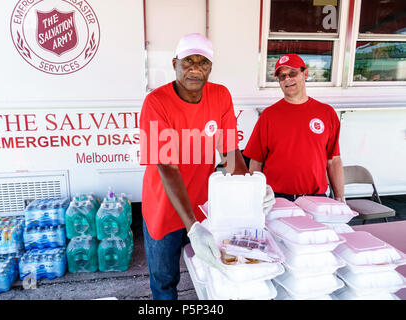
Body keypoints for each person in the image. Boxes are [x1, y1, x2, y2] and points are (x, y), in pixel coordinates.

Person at [139, 33, 275, 300]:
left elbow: (229, 153)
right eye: (188, 61)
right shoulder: (156, 102)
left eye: (203, 63)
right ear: (175, 62)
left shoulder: (220, 95)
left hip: (203, 207)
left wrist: (251, 188)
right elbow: (167, 167)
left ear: (210, 67)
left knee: (212, 274)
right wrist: (191, 228)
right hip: (163, 207)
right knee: (165, 281)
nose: (195, 69)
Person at [244, 53, 345, 203]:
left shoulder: (326, 113)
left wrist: (339, 197)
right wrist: (257, 196)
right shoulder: (268, 116)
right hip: (277, 198)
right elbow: (255, 162)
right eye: (282, 76)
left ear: (305, 74)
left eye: (292, 73)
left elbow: (333, 160)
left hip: (316, 199)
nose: (287, 79)